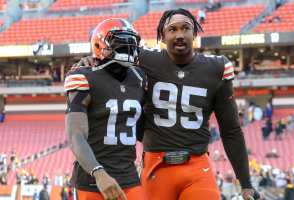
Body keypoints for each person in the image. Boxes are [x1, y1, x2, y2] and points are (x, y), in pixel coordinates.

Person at [73, 8, 260, 200]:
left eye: (185, 28)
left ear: (194, 33)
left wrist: (246, 183)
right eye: (172, 29)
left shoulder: (217, 68)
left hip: (197, 166)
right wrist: (92, 60)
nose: (179, 34)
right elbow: (113, 53)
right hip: (156, 165)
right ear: (162, 36)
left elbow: (231, 130)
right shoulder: (144, 59)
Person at [65, 18, 147, 200]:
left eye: (129, 44)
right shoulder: (83, 77)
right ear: (98, 45)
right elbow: (75, 135)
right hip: (92, 180)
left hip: (128, 176)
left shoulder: (140, 78)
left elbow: (144, 129)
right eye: (120, 45)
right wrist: (98, 172)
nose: (126, 50)